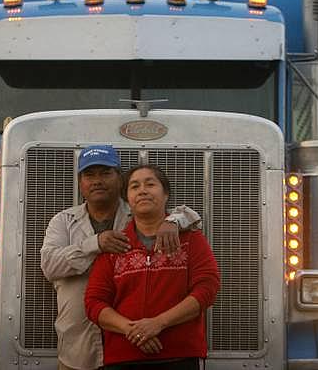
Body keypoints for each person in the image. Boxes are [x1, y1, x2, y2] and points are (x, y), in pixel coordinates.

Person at [40, 146, 201, 370]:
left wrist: (173, 221)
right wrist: (95, 244)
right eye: (89, 175)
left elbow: (190, 216)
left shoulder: (138, 213)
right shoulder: (63, 221)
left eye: (105, 173)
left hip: (136, 349)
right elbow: (49, 265)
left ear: (120, 180)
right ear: (80, 183)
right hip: (78, 349)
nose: (97, 181)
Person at [85, 164, 220, 370]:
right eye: (134, 186)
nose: (142, 191)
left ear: (166, 195)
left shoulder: (191, 240)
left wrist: (158, 323)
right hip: (123, 358)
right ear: (127, 200)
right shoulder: (115, 246)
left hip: (180, 357)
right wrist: (134, 331)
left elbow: (207, 289)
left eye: (150, 184)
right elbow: (94, 302)